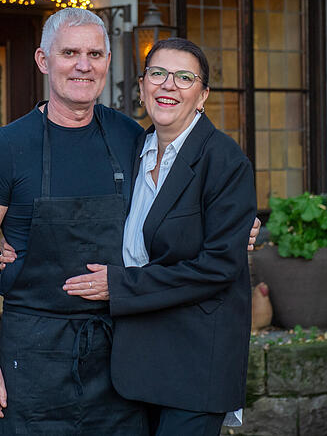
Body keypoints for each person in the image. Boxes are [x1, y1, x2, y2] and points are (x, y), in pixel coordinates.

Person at [0, 8, 259, 435]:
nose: (84, 64)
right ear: (44, 61)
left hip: (121, 360)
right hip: (34, 357)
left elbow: (176, 205)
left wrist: (238, 229)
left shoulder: (132, 138)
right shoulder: (6, 148)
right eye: (71, 53)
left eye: (95, 53)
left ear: (108, 63)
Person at [61, 38, 257, 436]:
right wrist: (17, 241)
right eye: (158, 74)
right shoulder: (133, 150)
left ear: (202, 96)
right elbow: (88, 214)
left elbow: (218, 266)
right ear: (142, 85)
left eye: (184, 77)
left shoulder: (223, 160)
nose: (169, 85)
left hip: (196, 360)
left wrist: (121, 285)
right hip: (138, 359)